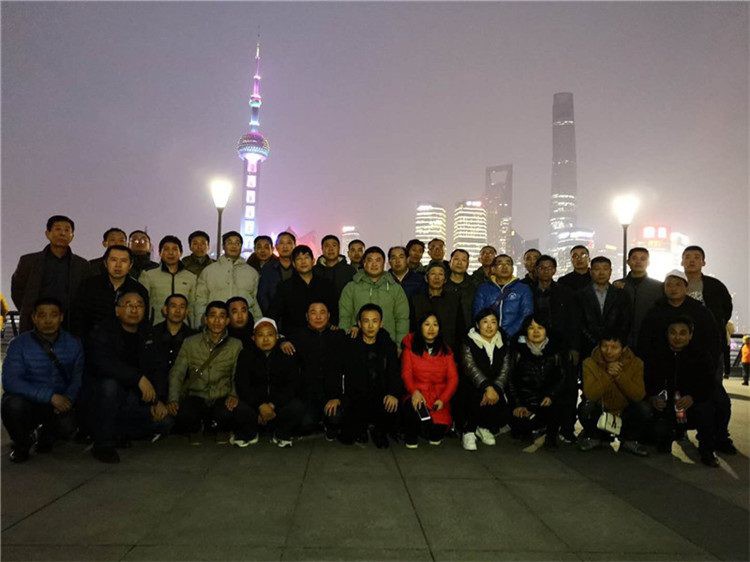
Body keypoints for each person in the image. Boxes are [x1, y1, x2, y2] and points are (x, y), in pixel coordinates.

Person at [638, 270, 735, 455]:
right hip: (665, 372)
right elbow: (645, 345)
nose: (673, 288)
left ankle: (719, 438)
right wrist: (652, 393)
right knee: (656, 410)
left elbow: (713, 341)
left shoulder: (700, 311)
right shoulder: (655, 312)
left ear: (686, 287)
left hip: (696, 370)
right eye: (669, 285)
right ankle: (666, 434)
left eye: (678, 284)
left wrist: (705, 369)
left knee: (720, 402)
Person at [86, 292, 172, 463]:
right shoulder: (103, 331)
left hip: (135, 398)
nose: (134, 309)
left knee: (165, 422)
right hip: (105, 398)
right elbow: (104, 363)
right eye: (128, 305)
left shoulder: (149, 333)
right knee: (110, 386)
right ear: (117, 310)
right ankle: (103, 444)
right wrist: (138, 378)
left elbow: (158, 368)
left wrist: (158, 399)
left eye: (139, 305)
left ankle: (119, 432)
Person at [1, 297, 83, 463]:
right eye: (42, 315)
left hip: (59, 402)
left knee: (67, 427)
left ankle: (45, 434)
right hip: (29, 401)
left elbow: (77, 377)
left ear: (61, 317)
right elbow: (10, 380)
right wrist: (50, 396)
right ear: (34, 318)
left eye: (53, 315)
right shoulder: (19, 344)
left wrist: (68, 399)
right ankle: (22, 444)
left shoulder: (73, 344)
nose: (48, 320)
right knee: (11, 404)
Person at [168, 301, 253, 444]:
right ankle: (198, 426)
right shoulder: (190, 342)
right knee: (184, 414)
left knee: (230, 412)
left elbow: (237, 374)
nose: (217, 321)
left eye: (222, 316)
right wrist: (173, 399)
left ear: (227, 321)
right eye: (213, 316)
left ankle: (217, 426)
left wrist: (233, 394)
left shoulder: (235, 344)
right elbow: (177, 372)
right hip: (197, 395)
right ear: (205, 319)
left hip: (221, 395)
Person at [644, 318, 718, 466]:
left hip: (690, 406)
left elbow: (708, 383)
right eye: (673, 333)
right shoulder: (657, 355)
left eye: (683, 333)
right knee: (658, 431)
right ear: (667, 334)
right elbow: (647, 381)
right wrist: (652, 398)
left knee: (708, 408)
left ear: (690, 335)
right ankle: (667, 437)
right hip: (666, 408)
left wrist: (693, 397)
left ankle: (707, 451)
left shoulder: (701, 356)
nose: (677, 337)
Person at [11, 215, 90, 333]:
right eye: (58, 229)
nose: (62, 233)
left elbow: (86, 296)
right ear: (47, 234)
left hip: (70, 327)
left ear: (72, 236)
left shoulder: (82, 265)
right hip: (34, 326)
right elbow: (17, 290)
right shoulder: (28, 261)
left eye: (67, 230)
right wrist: (31, 313)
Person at [530, 255, 579, 443]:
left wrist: (574, 347)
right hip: (536, 344)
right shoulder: (529, 291)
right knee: (540, 384)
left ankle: (567, 428)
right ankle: (541, 423)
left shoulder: (565, 292)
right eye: (541, 267)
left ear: (555, 270)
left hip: (562, 346)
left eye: (549, 267)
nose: (546, 270)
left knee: (567, 387)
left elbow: (573, 321)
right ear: (536, 270)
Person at [338, 304, 403, 447]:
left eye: (375, 321)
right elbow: (338, 371)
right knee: (347, 438)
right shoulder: (350, 344)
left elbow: (394, 372)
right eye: (366, 321)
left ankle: (377, 429)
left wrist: (393, 393)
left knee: (392, 409)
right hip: (355, 397)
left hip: (380, 395)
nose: (370, 326)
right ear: (359, 323)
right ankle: (361, 427)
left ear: (381, 323)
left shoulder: (387, 344)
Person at [234, 318, 305, 447]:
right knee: (240, 408)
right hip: (255, 406)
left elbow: (292, 385)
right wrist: (260, 406)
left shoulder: (286, 355)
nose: (266, 339)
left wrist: (272, 405)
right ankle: (250, 433)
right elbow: (242, 385)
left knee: (297, 407)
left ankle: (280, 433)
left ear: (277, 337)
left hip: (277, 406)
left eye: (270, 334)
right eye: (260, 335)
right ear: (253, 338)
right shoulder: (246, 355)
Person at [578, 332, 651, 456]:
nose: (608, 351)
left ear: (624, 349)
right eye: (604, 346)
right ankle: (594, 437)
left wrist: (619, 376)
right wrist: (608, 375)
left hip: (624, 412)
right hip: (601, 411)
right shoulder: (589, 363)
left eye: (614, 347)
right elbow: (590, 394)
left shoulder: (636, 363)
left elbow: (639, 395)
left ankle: (630, 440)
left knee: (644, 408)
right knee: (586, 407)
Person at [288, 302, 346, 438]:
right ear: (307, 316)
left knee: (336, 419)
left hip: (332, 394)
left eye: (322, 312)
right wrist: (282, 342)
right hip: (308, 395)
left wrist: (338, 397)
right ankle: (317, 420)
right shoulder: (297, 337)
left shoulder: (338, 336)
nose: (318, 317)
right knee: (305, 424)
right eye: (313, 313)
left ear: (329, 316)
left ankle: (327, 421)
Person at [401, 312, 459, 448]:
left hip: (438, 396)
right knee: (414, 412)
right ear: (420, 327)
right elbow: (406, 374)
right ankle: (411, 432)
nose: (431, 328)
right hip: (417, 393)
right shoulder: (410, 348)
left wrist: (443, 399)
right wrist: (414, 392)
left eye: (435, 325)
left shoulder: (446, 350)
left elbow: (453, 378)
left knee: (435, 436)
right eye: (427, 324)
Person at [507, 316, 565, 449]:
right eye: (531, 328)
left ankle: (549, 435)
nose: (536, 331)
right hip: (524, 401)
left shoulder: (556, 351)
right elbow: (510, 379)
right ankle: (534, 429)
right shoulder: (517, 350)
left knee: (557, 409)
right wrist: (517, 404)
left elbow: (562, 378)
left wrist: (551, 395)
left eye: (540, 328)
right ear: (525, 331)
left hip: (546, 401)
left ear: (547, 330)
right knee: (520, 429)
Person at [459, 308, 511, 451]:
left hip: (494, 387)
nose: (489, 326)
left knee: (497, 398)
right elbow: (470, 367)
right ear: (477, 324)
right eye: (485, 322)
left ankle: (483, 427)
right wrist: (487, 387)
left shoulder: (503, 341)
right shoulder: (469, 341)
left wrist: (495, 388)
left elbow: (505, 370)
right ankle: (469, 431)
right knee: (475, 394)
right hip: (472, 385)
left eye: (493, 322)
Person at [339, 246, 410, 346]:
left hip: (388, 344)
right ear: (364, 263)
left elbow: (402, 319)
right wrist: (344, 342)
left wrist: (400, 346)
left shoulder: (395, 288)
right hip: (357, 344)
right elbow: (344, 317)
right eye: (370, 260)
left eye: (378, 260)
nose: (374, 264)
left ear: (384, 263)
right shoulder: (351, 287)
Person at [71, 245, 149, 336]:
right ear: (105, 263)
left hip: (127, 341)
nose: (118, 265)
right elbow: (78, 317)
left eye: (123, 261)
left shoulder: (139, 290)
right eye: (114, 260)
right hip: (92, 340)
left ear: (130, 265)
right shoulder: (89, 285)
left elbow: (143, 322)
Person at [195, 231, 262, 323]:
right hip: (216, 323)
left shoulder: (252, 272)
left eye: (237, 243)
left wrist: (258, 322)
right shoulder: (208, 271)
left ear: (241, 246)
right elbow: (201, 299)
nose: (233, 246)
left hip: (243, 324)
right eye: (229, 243)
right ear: (223, 246)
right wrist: (200, 322)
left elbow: (255, 301)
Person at [269, 245, 338, 334]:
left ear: (313, 261)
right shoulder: (285, 287)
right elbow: (274, 312)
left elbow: (334, 309)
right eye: (299, 259)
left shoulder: (326, 284)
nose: (303, 261)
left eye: (306, 258)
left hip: (322, 334)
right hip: (294, 336)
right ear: (294, 264)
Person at [576, 256, 632, 359]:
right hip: (587, 348)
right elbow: (579, 323)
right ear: (590, 272)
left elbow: (625, 322)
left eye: (605, 269)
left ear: (610, 272)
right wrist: (597, 343)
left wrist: (612, 343)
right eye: (597, 269)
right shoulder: (580, 295)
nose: (601, 273)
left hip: (614, 348)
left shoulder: (621, 295)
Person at [138, 235, 197, 327]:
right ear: (160, 253)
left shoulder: (191, 277)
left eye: (175, 249)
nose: (170, 252)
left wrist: (193, 327)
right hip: (156, 327)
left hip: (183, 328)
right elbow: (142, 303)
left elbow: (192, 306)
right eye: (166, 249)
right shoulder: (148, 275)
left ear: (181, 253)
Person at [472, 254, 533, 339]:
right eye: (500, 264)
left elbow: (526, 314)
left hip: (515, 337)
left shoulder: (523, 288)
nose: (504, 267)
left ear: (512, 268)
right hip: (488, 336)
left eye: (508, 264)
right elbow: (478, 313)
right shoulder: (484, 288)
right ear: (493, 269)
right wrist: (491, 332)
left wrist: (507, 333)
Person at [613, 247, 663, 350]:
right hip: (622, 341)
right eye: (634, 258)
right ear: (628, 262)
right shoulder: (617, 285)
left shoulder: (658, 287)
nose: (638, 262)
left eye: (643, 259)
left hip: (650, 340)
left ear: (648, 262)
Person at [149, 294, 195, 403]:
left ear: (187, 312)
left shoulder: (194, 337)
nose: (178, 310)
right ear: (165, 310)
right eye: (173, 306)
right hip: (154, 392)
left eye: (182, 307)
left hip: (184, 395)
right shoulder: (151, 334)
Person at [410, 262, 463, 352]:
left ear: (445, 279)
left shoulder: (454, 300)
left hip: (448, 350)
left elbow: (460, 329)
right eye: (433, 274)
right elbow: (412, 328)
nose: (437, 278)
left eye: (440, 274)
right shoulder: (416, 300)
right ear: (426, 278)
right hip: (422, 350)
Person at [257, 231, 296, 314]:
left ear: (294, 246)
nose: (285, 246)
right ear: (276, 247)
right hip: (274, 315)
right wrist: (271, 314)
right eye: (281, 243)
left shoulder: (300, 267)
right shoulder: (268, 268)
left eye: (289, 243)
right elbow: (262, 295)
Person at [312, 235, 356, 300]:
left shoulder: (350, 270)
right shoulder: (314, 271)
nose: (331, 249)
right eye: (327, 246)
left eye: (334, 245)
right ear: (322, 249)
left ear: (339, 248)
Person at [443, 248, 476, 330]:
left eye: (463, 260)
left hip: (468, 331)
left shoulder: (473, 285)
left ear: (467, 265)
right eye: (456, 259)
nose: (459, 263)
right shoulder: (441, 282)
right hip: (443, 330)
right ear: (450, 262)